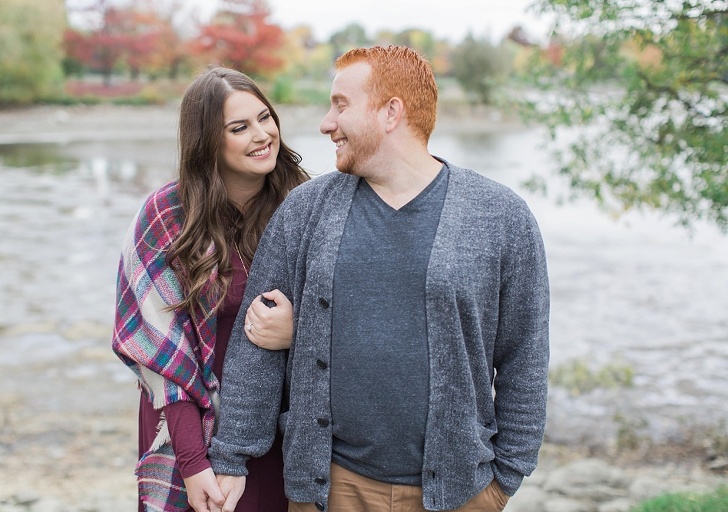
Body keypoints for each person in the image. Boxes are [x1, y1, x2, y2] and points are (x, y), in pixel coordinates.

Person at [209, 45, 550, 512]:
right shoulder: (306, 211)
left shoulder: (500, 216)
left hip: (459, 493)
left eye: (341, 105)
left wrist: (506, 477)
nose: (326, 123)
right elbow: (257, 343)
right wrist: (232, 457)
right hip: (329, 490)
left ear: (391, 113)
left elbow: (524, 356)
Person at [112, 66, 309, 512]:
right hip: (187, 419)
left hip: (277, 422)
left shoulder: (303, 203)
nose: (263, 135)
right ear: (207, 142)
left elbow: (343, 311)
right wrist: (192, 460)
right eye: (240, 128)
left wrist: (300, 332)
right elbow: (161, 354)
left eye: (265, 117)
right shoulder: (166, 217)